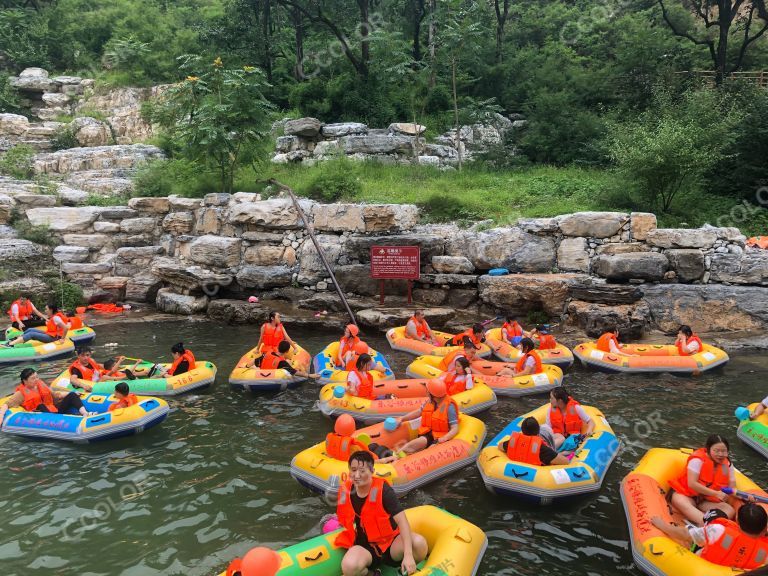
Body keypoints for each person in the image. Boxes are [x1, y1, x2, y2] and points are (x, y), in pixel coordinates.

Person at [335, 451, 428, 576]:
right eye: (353, 470)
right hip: (365, 546)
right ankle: (373, 574)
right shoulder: (346, 491)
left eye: (362, 471)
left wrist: (408, 555)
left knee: (419, 543)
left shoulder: (384, 491)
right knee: (349, 567)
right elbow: (344, 517)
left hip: (391, 544)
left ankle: (404, 570)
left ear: (372, 471)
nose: (357, 475)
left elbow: (402, 521)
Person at [651, 505, 768, 570]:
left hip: (704, 566)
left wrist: (661, 525)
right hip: (736, 568)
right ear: (764, 528)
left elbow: (684, 535)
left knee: (714, 514)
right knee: (717, 516)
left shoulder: (719, 530)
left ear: (737, 521)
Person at [379, 380, 460, 463]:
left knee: (427, 451)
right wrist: (402, 419)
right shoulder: (430, 401)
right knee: (411, 445)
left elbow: (455, 428)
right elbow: (418, 412)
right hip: (427, 434)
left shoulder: (449, 407)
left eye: (428, 391)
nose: (426, 392)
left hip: (439, 437)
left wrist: (444, 438)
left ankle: (399, 459)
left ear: (433, 395)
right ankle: (394, 457)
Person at [668, 434, 736, 525]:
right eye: (716, 451)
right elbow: (692, 484)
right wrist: (716, 493)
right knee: (680, 501)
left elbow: (731, 483)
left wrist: (736, 494)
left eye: (724, 451)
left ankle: (707, 522)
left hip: (704, 500)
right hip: (686, 495)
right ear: (708, 449)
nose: (720, 454)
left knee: (729, 510)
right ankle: (707, 524)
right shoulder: (698, 460)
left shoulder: (726, 465)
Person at [0, 368, 92, 419]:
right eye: (33, 378)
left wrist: (72, 393)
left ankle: (85, 414)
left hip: (54, 410)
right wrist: (1, 415)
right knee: (41, 406)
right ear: (25, 381)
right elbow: (7, 404)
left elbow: (56, 395)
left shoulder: (41, 385)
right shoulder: (21, 393)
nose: (36, 380)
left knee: (72, 395)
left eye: (37, 377)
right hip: (43, 418)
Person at [499, 417, 571, 466]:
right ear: (538, 432)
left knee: (558, 438)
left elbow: (500, 446)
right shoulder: (542, 449)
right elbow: (565, 461)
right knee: (561, 440)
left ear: (522, 431)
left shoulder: (513, 443)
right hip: (536, 478)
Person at [4, 303, 70, 346]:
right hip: (50, 334)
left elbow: (66, 328)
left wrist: (62, 339)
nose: (45, 311)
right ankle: (16, 339)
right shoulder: (54, 317)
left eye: (46, 309)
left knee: (31, 334)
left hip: (54, 338)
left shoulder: (56, 318)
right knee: (30, 329)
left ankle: (11, 344)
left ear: (51, 310)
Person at [245, 340, 317, 379]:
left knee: (255, 366)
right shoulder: (282, 362)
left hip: (260, 374)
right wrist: (309, 375)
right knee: (289, 361)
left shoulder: (267, 354)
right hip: (273, 378)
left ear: (278, 347)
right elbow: (294, 372)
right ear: (287, 351)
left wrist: (245, 368)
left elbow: (254, 361)